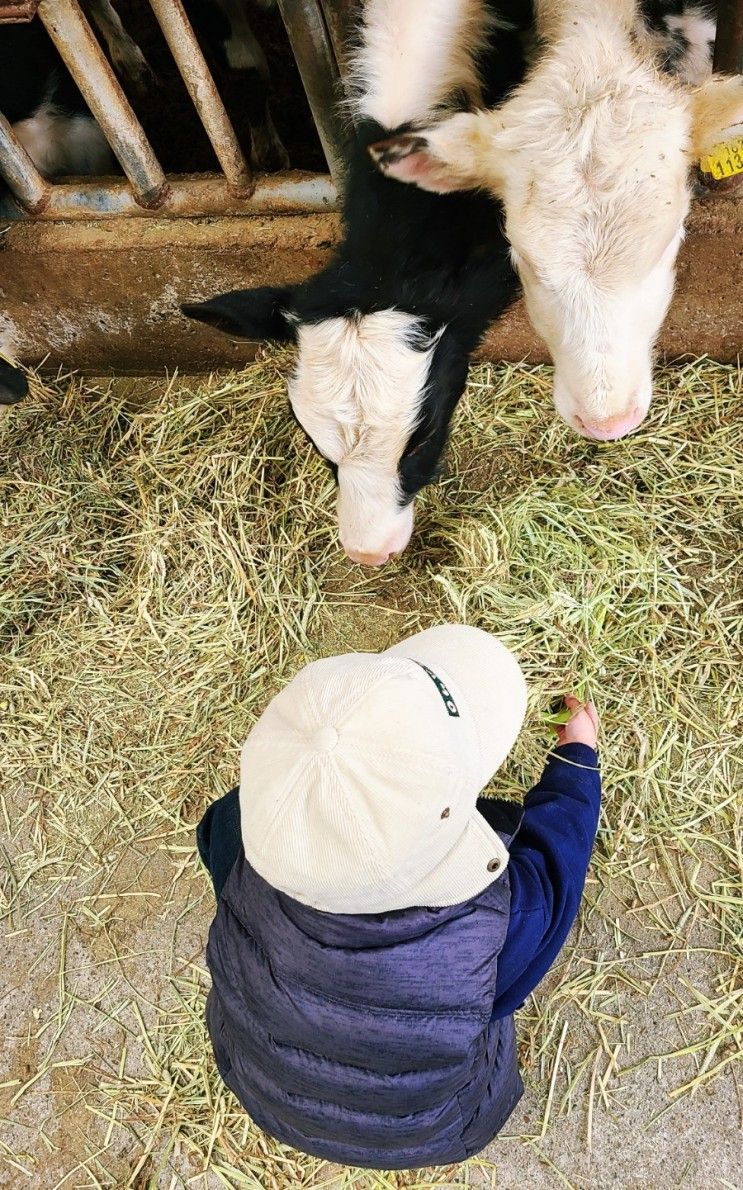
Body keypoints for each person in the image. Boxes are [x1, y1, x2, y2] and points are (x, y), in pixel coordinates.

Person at [197, 624, 601, 1169]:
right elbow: (557, 865)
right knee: (486, 1014)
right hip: (431, 1130)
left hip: (266, 1090)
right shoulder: (499, 928)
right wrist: (577, 759)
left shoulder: (237, 839)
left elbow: (219, 828)